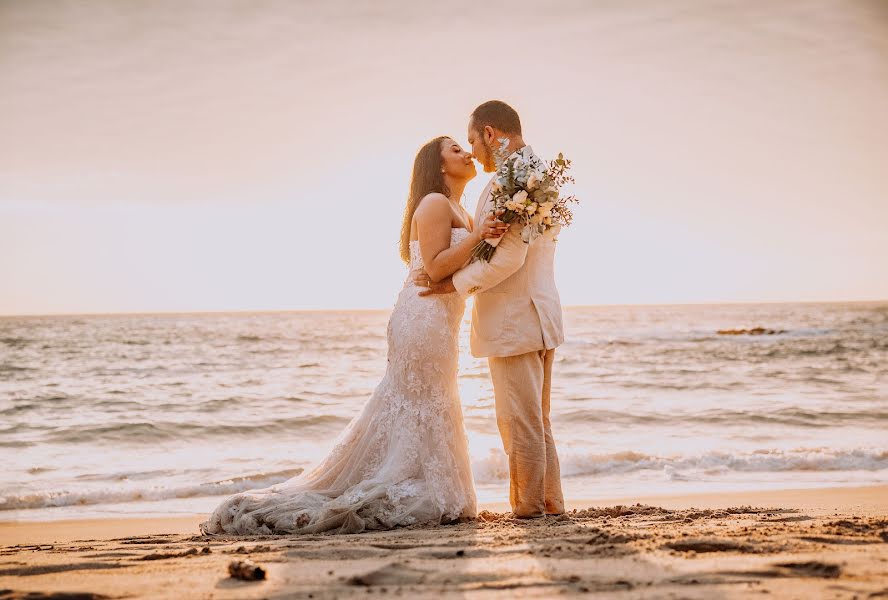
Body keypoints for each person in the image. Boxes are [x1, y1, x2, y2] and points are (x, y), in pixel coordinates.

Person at [199, 136, 507, 535]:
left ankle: (432, 481)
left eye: (465, 148)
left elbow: (459, 268)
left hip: (441, 319)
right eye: (455, 150)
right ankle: (421, 484)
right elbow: (433, 269)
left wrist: (482, 237)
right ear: (439, 165)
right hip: (422, 318)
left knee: (431, 400)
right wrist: (480, 236)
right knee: (421, 400)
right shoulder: (433, 202)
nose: (466, 153)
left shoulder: (460, 211)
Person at [415, 101, 565, 518]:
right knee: (536, 419)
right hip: (539, 313)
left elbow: (508, 258)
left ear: (491, 134)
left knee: (520, 422)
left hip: (516, 316)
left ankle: (530, 509)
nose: (473, 152)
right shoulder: (532, 173)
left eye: (472, 141)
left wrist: (451, 285)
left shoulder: (513, 181)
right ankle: (549, 504)